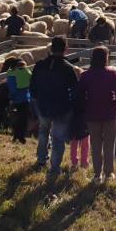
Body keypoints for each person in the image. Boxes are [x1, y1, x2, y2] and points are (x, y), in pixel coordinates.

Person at [30, 36, 79, 179]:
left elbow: (32, 86)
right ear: (66, 49)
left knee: (43, 131)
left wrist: (36, 101)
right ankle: (54, 167)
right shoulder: (68, 68)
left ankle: (41, 159)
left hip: (43, 105)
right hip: (61, 107)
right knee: (58, 137)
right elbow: (75, 90)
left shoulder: (40, 65)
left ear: (51, 48)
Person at [78, 46, 116, 184]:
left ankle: (97, 174)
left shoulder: (86, 75)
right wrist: (114, 105)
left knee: (96, 144)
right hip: (109, 114)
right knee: (109, 145)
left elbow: (80, 93)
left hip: (92, 114)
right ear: (106, 58)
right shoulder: (111, 74)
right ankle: (109, 174)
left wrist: (86, 105)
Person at [3, 56, 32, 143]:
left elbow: (12, 88)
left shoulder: (12, 74)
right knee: (23, 118)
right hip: (25, 99)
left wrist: (11, 97)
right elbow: (30, 85)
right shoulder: (28, 73)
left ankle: (16, 135)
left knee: (15, 117)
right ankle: (21, 135)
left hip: (16, 99)